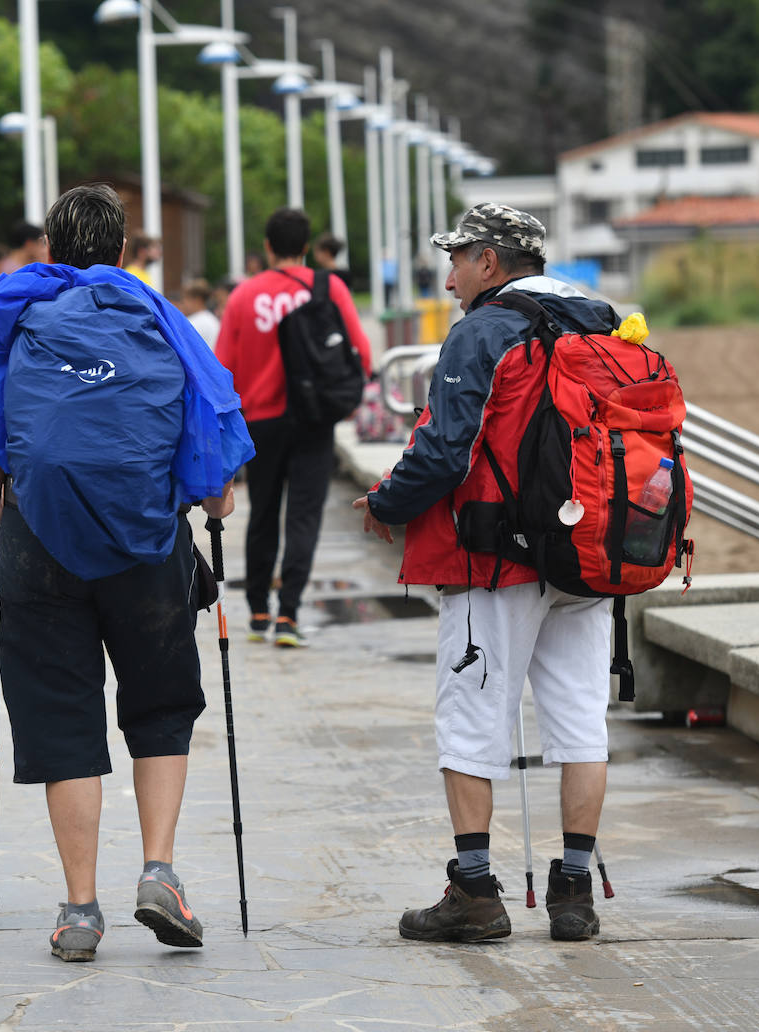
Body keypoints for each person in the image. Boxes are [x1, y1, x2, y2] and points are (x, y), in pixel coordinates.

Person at [0, 183, 254, 963]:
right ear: (123, 252)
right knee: (160, 707)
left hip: (39, 544)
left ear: (48, 252)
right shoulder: (166, 326)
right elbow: (215, 477)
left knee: (64, 722)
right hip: (147, 546)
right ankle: (159, 872)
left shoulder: (18, 320)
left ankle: (80, 910)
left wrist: (4, 523)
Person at [353, 203, 621, 943]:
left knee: (470, 720)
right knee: (580, 722)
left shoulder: (481, 333)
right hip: (586, 556)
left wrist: (385, 502)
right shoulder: (597, 324)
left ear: (491, 264)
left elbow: (444, 452)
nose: (449, 278)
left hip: (495, 559)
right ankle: (573, 892)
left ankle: (474, 892)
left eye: (459, 259)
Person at [215, 208, 373, 648]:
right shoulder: (330, 287)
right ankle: (289, 616)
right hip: (314, 420)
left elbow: (221, 366)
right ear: (306, 247)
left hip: (260, 422)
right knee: (303, 517)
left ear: (267, 246)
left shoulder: (245, 296)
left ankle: (258, 611)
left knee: (262, 513)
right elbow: (360, 352)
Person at [177, 278, 220, 350]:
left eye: (186, 298)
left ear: (197, 300)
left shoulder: (193, 323)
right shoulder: (212, 319)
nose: (183, 303)